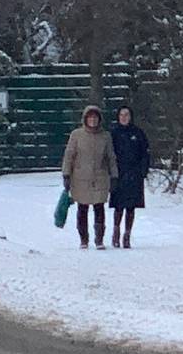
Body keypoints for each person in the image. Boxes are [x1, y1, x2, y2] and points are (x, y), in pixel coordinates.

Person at [61, 104, 116, 249]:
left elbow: (111, 157)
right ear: (85, 119)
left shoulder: (105, 136)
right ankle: (83, 239)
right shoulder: (76, 135)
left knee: (99, 208)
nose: (93, 120)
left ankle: (99, 239)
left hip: (100, 177)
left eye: (95, 117)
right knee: (82, 208)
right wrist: (66, 174)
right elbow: (69, 156)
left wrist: (114, 175)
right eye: (90, 117)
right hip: (80, 178)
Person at [108, 105, 152, 248]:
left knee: (131, 207)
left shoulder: (138, 133)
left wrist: (142, 171)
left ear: (131, 116)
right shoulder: (113, 134)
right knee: (118, 206)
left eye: (126, 114)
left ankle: (127, 234)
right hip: (118, 174)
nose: (124, 117)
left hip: (134, 174)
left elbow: (145, 153)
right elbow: (108, 155)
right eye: (121, 115)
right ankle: (116, 231)